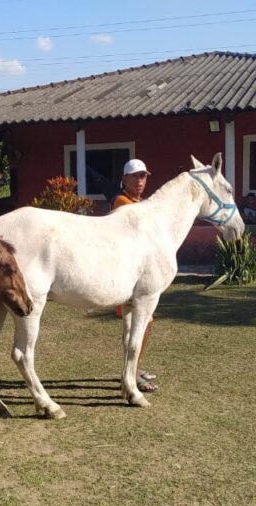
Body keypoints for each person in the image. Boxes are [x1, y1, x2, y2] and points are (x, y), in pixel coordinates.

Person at [111, 158, 159, 392]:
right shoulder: (122, 202)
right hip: (126, 274)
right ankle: (132, 373)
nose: (140, 180)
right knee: (136, 324)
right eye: (135, 176)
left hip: (139, 272)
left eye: (143, 176)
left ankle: (135, 368)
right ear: (125, 179)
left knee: (144, 322)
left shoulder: (140, 203)